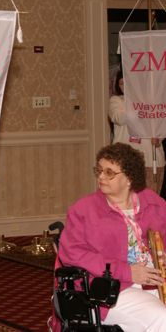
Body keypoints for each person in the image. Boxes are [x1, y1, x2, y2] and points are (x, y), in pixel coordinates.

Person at [59, 142, 166, 332]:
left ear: (129, 178)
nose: (101, 176)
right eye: (99, 170)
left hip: (155, 280)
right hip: (110, 289)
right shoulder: (84, 210)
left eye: (109, 172)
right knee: (161, 317)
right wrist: (128, 272)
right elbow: (72, 254)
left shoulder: (152, 202)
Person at [109, 69, 165, 193]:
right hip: (126, 159)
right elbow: (118, 118)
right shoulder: (117, 101)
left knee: (151, 200)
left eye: (127, 83)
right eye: (121, 84)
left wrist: (159, 138)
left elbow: (161, 123)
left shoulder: (151, 102)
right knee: (127, 199)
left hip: (151, 158)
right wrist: (139, 107)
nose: (124, 87)